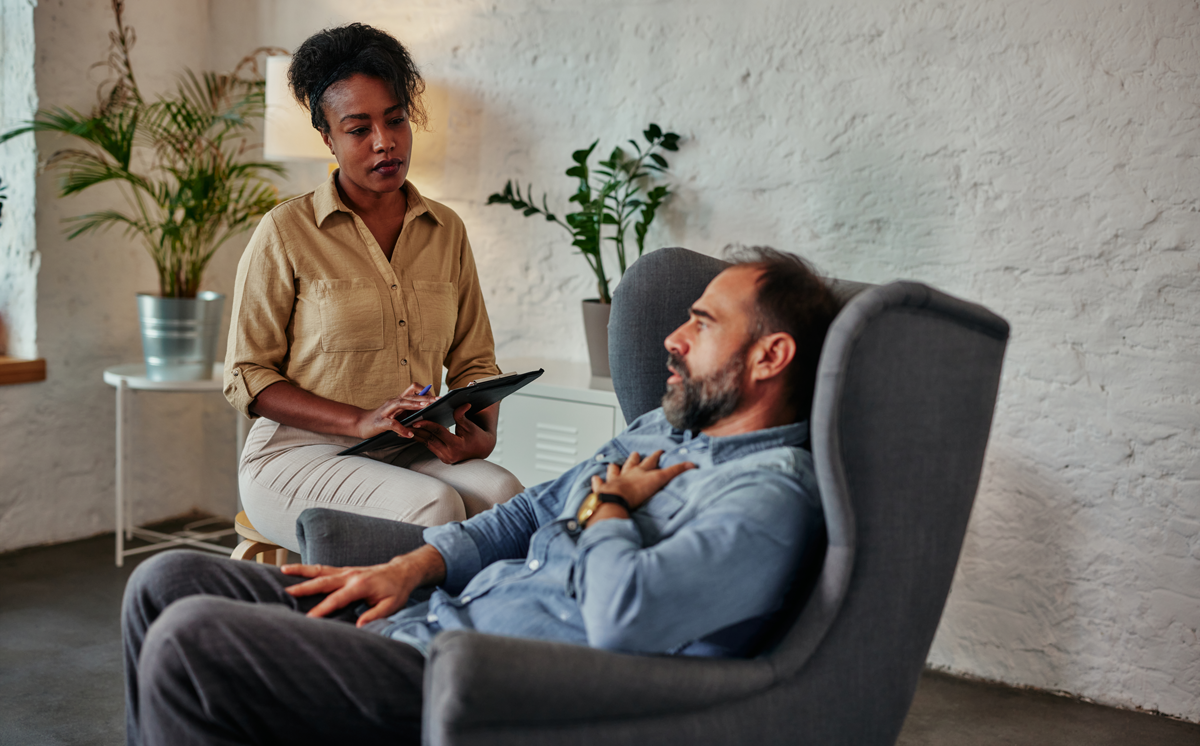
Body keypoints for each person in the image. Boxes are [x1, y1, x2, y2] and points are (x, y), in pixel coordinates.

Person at [125, 247, 840, 746]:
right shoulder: (661, 428)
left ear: (770, 356)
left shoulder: (769, 499)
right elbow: (532, 508)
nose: (673, 339)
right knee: (166, 580)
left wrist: (609, 509)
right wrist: (411, 568)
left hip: (482, 686)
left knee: (193, 645)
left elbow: (626, 617)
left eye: (703, 323)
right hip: (433, 616)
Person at [224, 24, 522, 553]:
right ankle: (396, 635)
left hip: (406, 449)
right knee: (434, 508)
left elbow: (475, 361)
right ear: (328, 139)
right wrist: (359, 420)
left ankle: (477, 632)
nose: (384, 141)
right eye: (358, 129)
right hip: (294, 456)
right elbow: (247, 376)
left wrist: (481, 431)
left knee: (505, 496)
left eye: (395, 120)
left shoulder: (446, 229)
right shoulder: (286, 231)